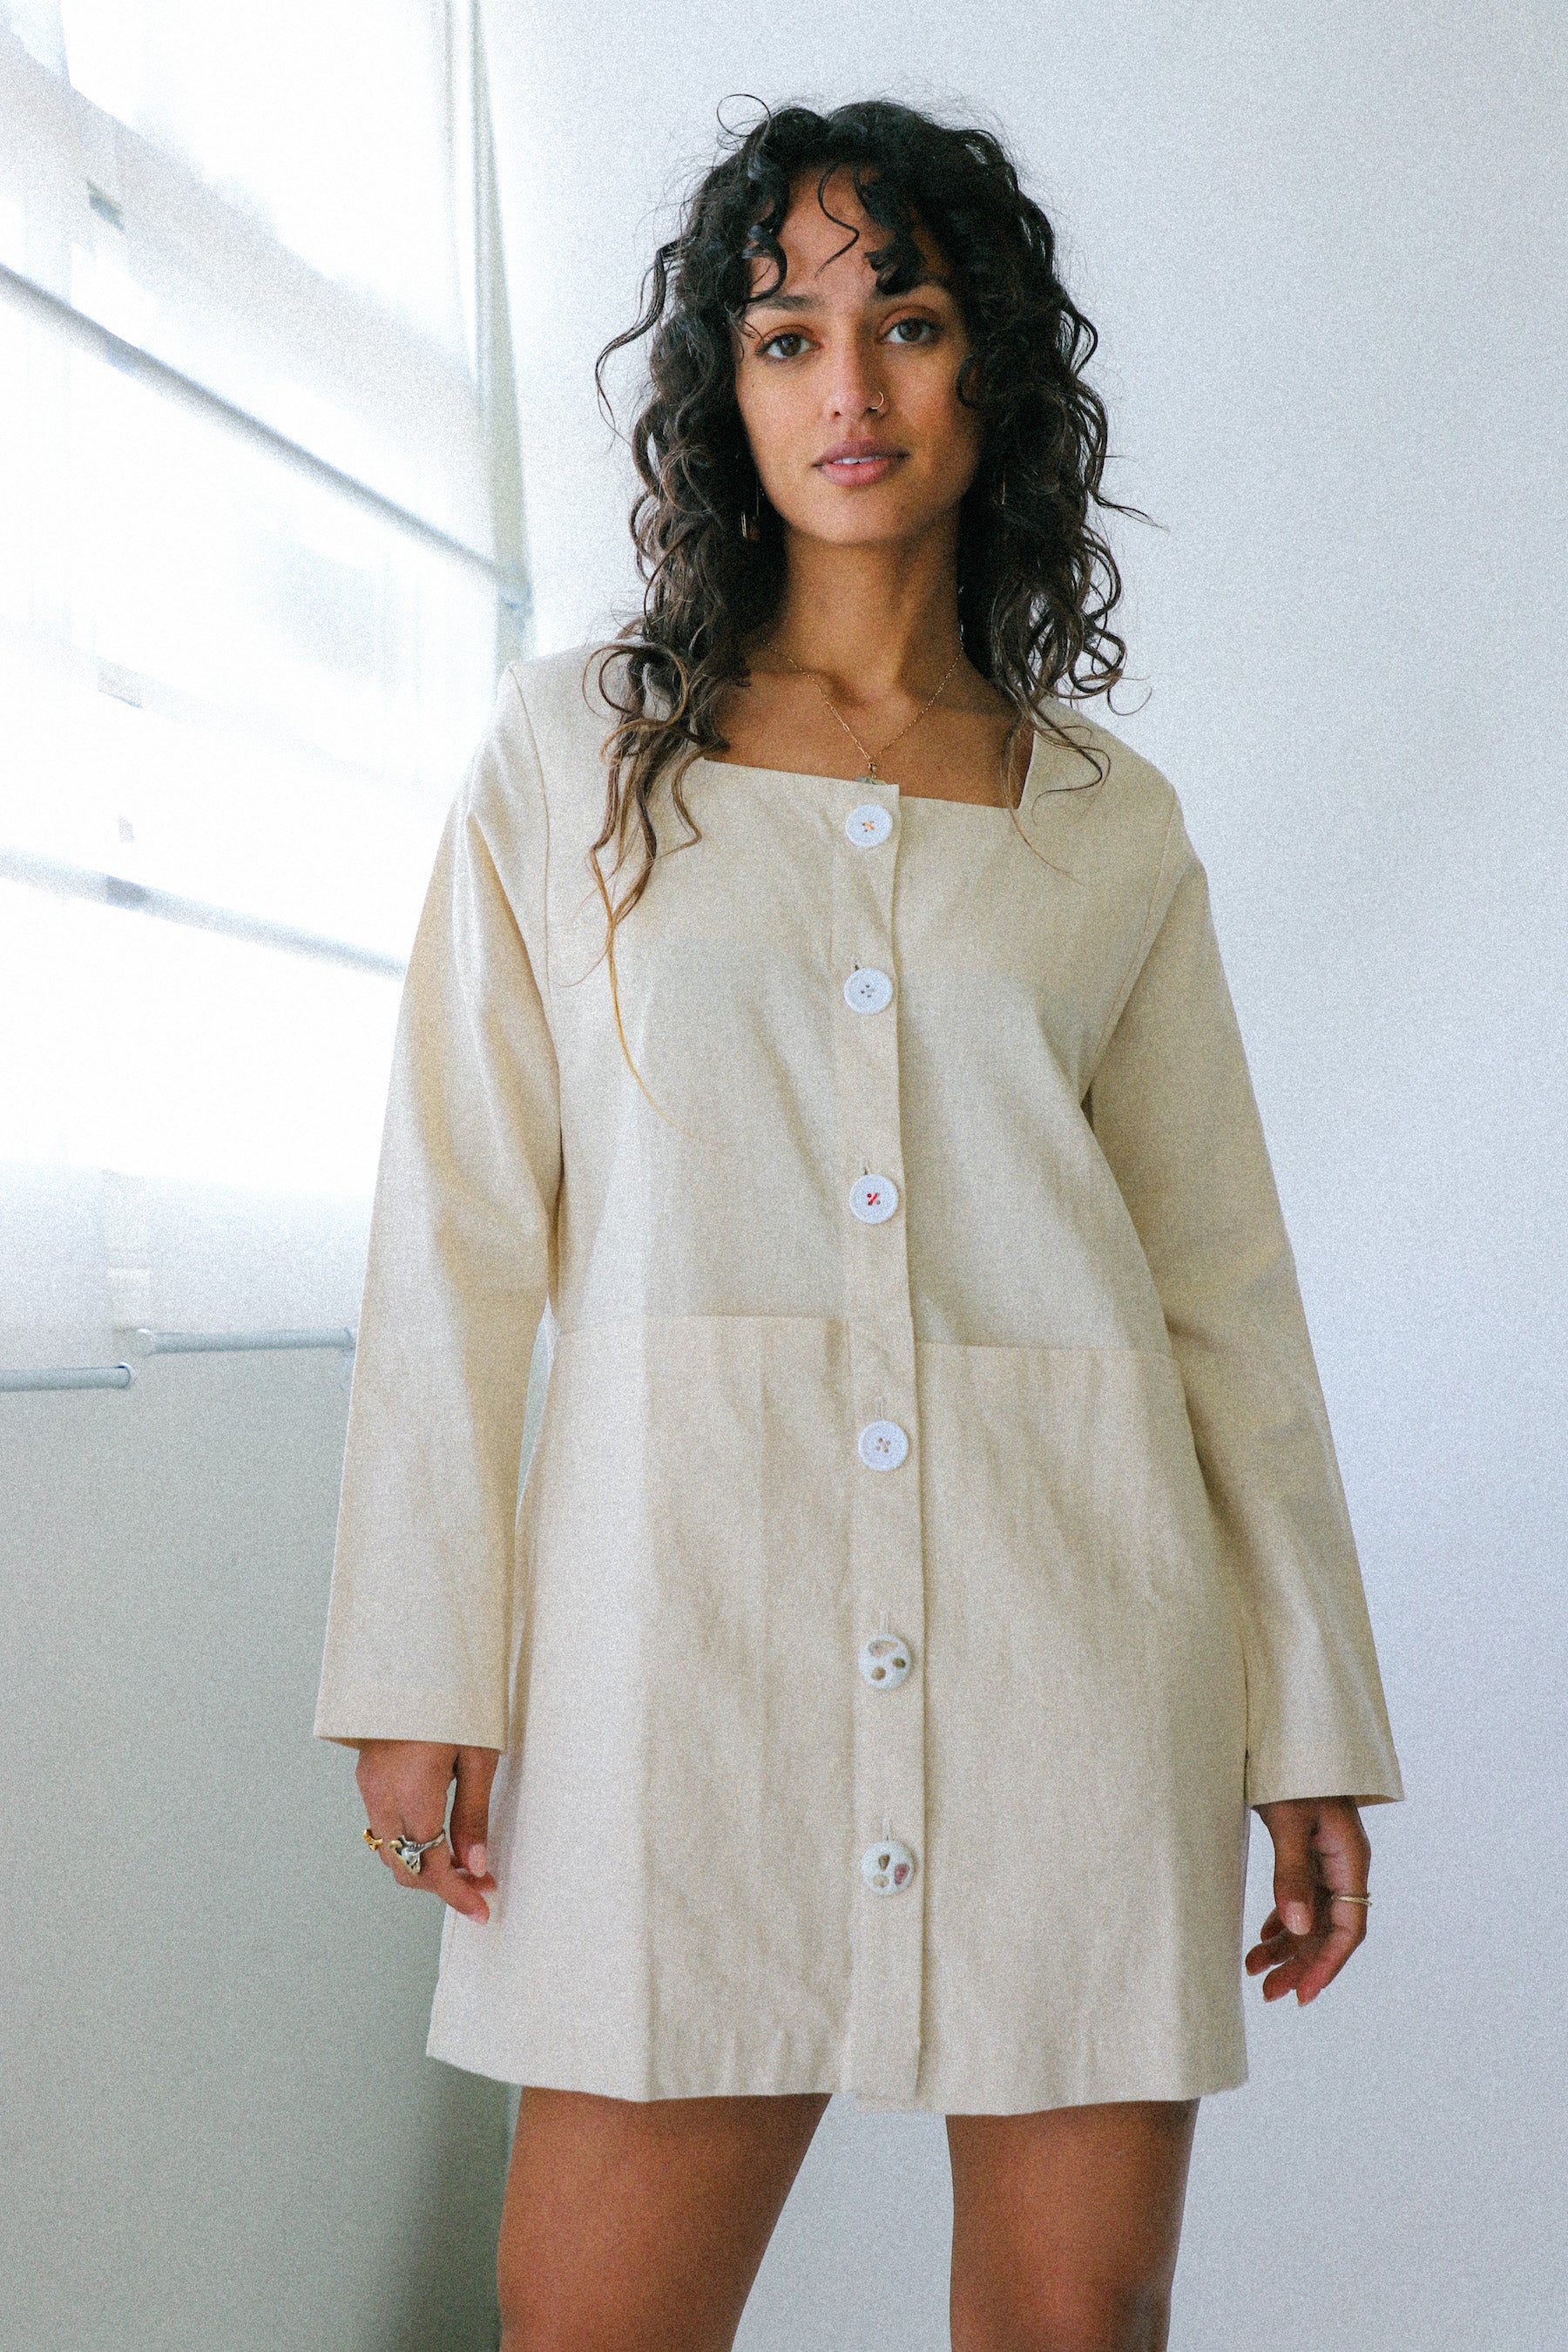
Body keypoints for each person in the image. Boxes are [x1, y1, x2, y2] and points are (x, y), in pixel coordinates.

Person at [314, 98, 1403, 2352]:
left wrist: (1309, 1710)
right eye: (788, 334)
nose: (852, 388)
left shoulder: (1107, 823)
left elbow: (1223, 1291)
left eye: (905, 322)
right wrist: (424, 1662)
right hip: (678, 1646)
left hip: (1075, 1645)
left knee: (1077, 2324)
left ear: (988, 366)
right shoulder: (574, 758)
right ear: (723, 386)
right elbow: (458, 1231)